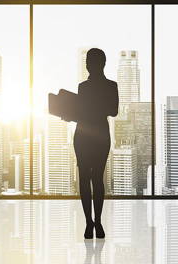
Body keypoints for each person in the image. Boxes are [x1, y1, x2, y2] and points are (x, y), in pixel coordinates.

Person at [74, 48, 119, 239]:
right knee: (94, 179)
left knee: (88, 178)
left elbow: (113, 111)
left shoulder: (85, 87)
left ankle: (92, 223)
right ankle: (94, 223)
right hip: (98, 133)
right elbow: (112, 111)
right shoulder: (108, 86)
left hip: (86, 134)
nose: (86, 65)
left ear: (96, 64)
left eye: (88, 61)